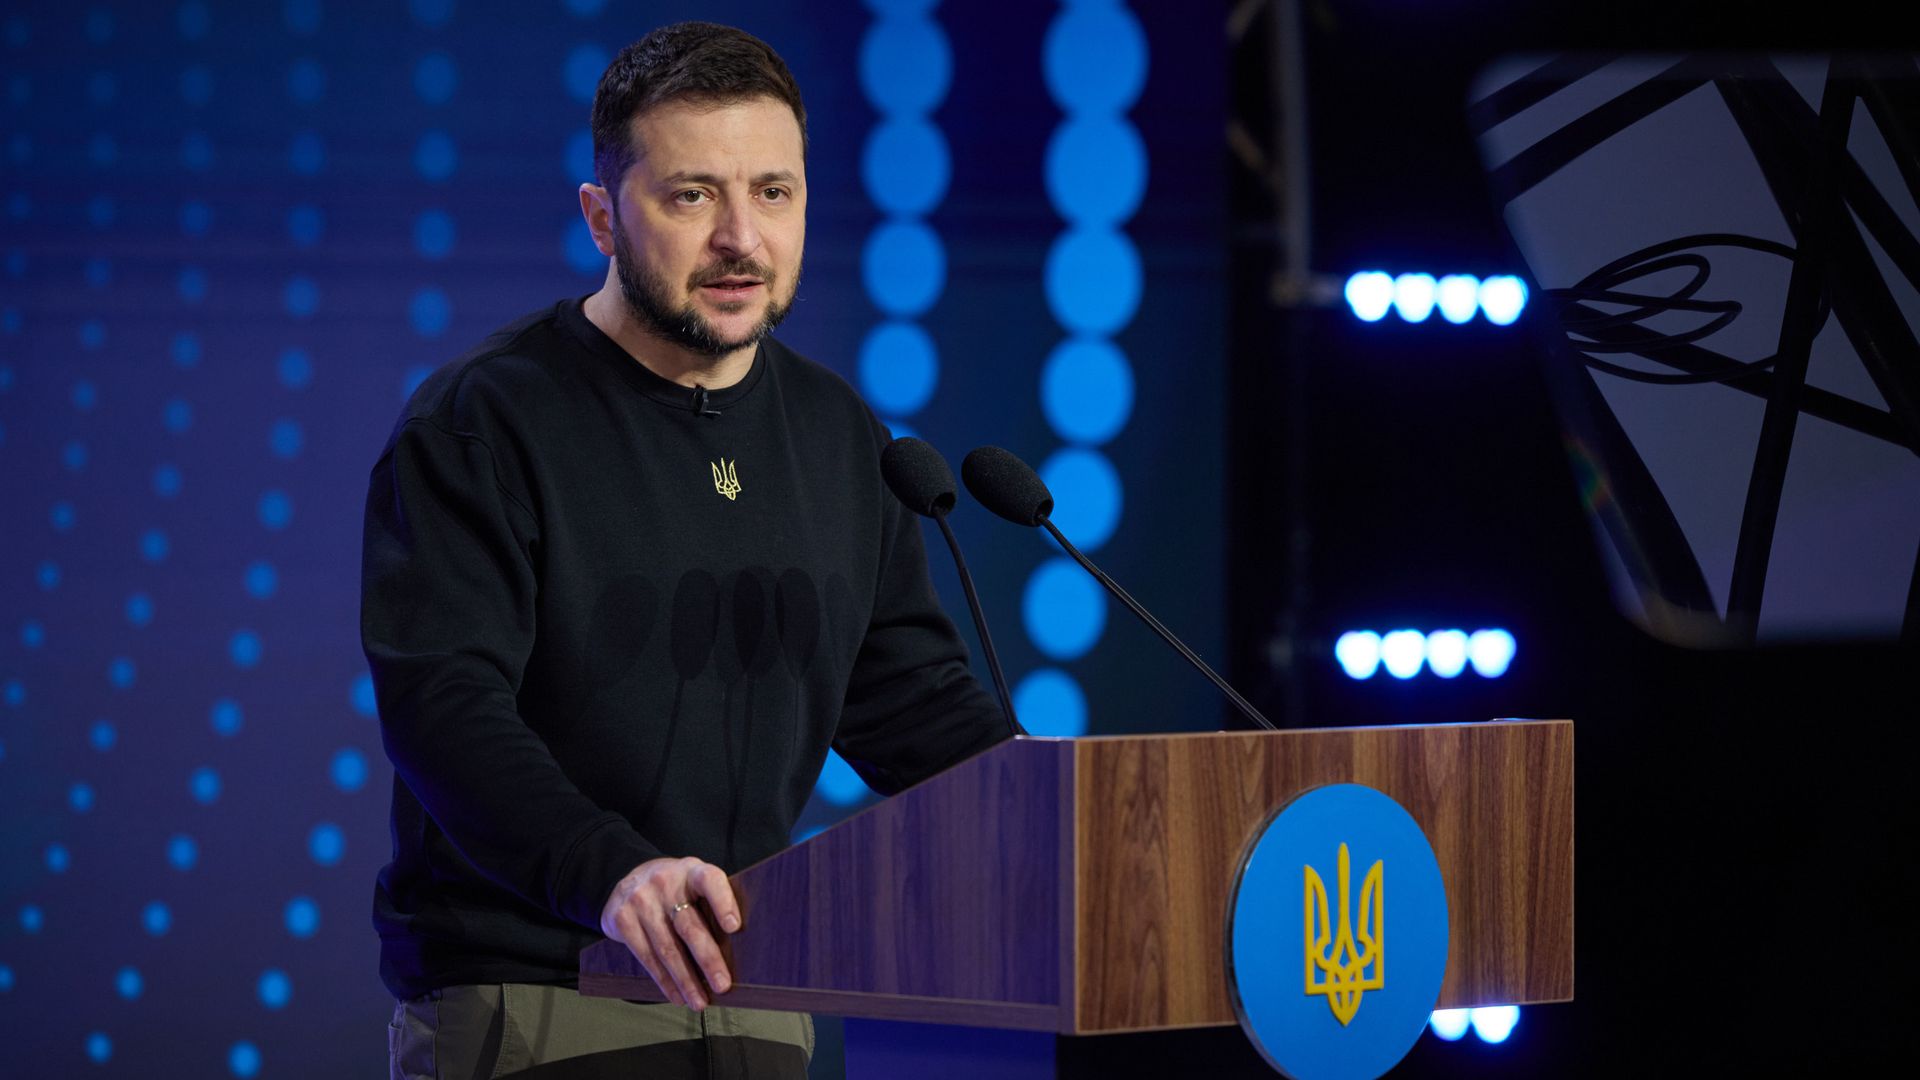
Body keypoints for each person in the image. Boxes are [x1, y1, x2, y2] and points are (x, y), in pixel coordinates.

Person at [361, 22, 1008, 1079]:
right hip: (546, 991)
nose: (741, 239)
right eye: (692, 195)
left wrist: (1060, 816)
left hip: (758, 989)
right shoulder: (483, 424)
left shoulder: (840, 434)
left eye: (775, 193)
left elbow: (905, 701)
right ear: (603, 217)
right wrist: (614, 873)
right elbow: (445, 712)